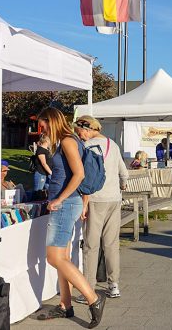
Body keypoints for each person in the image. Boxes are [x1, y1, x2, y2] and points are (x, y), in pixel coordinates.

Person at [35, 107, 105, 327]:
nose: (41, 128)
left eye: (42, 123)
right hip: (66, 203)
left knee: (54, 258)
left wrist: (59, 199)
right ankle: (65, 305)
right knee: (62, 258)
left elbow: (79, 174)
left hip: (65, 205)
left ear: (51, 120)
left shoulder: (67, 140)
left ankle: (94, 299)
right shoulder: (63, 140)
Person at [73, 115, 128, 303]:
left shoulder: (87, 147)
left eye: (78, 131)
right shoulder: (113, 144)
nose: (78, 135)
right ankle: (114, 285)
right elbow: (124, 173)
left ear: (86, 128)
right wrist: (121, 185)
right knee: (112, 244)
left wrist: (84, 203)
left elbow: (83, 177)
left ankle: (89, 287)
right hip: (114, 199)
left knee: (91, 245)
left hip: (95, 200)